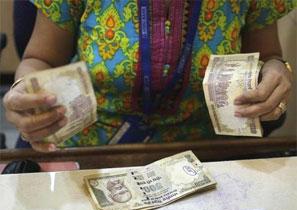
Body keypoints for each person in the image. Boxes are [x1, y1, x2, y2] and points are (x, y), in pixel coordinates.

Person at [3, 0, 295, 152]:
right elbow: (40, 59)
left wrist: (275, 70)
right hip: (89, 154)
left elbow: (266, 55)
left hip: (206, 157)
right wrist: (24, 92)